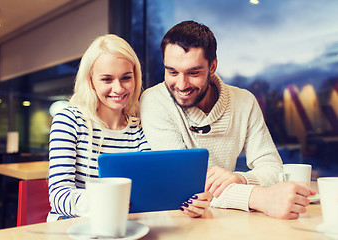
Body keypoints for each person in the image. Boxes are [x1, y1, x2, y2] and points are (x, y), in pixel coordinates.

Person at [140, 21, 315, 219]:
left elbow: (273, 168)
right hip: (178, 218)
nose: (181, 85)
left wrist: (240, 178)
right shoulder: (154, 100)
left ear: (212, 66)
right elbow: (183, 184)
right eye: (172, 72)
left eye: (193, 72)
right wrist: (257, 197)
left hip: (226, 217)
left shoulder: (244, 101)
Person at [47, 34, 152, 221]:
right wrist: (108, 202)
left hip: (125, 224)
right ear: (91, 80)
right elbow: (59, 197)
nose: (118, 88)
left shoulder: (140, 127)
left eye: (126, 78)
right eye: (107, 79)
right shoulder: (69, 120)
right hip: (75, 225)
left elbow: (148, 186)